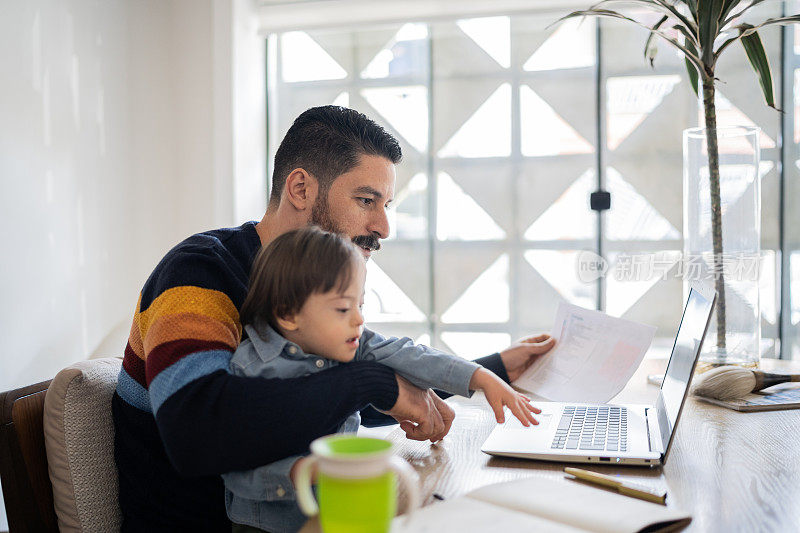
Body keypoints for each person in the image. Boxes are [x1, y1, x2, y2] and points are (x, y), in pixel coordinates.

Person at [112, 105, 555, 531]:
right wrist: (374, 383)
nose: (383, 226)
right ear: (301, 189)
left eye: (387, 205)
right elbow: (198, 433)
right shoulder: (200, 270)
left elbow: (312, 399)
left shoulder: (308, 284)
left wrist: (492, 369)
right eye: (366, 200)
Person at [223, 226, 540, 532]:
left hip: (341, 512)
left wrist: (481, 376)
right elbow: (235, 469)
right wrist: (303, 472)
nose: (359, 319)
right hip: (266, 525)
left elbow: (409, 354)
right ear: (289, 314)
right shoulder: (248, 372)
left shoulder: (347, 340)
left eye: (360, 305)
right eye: (344, 308)